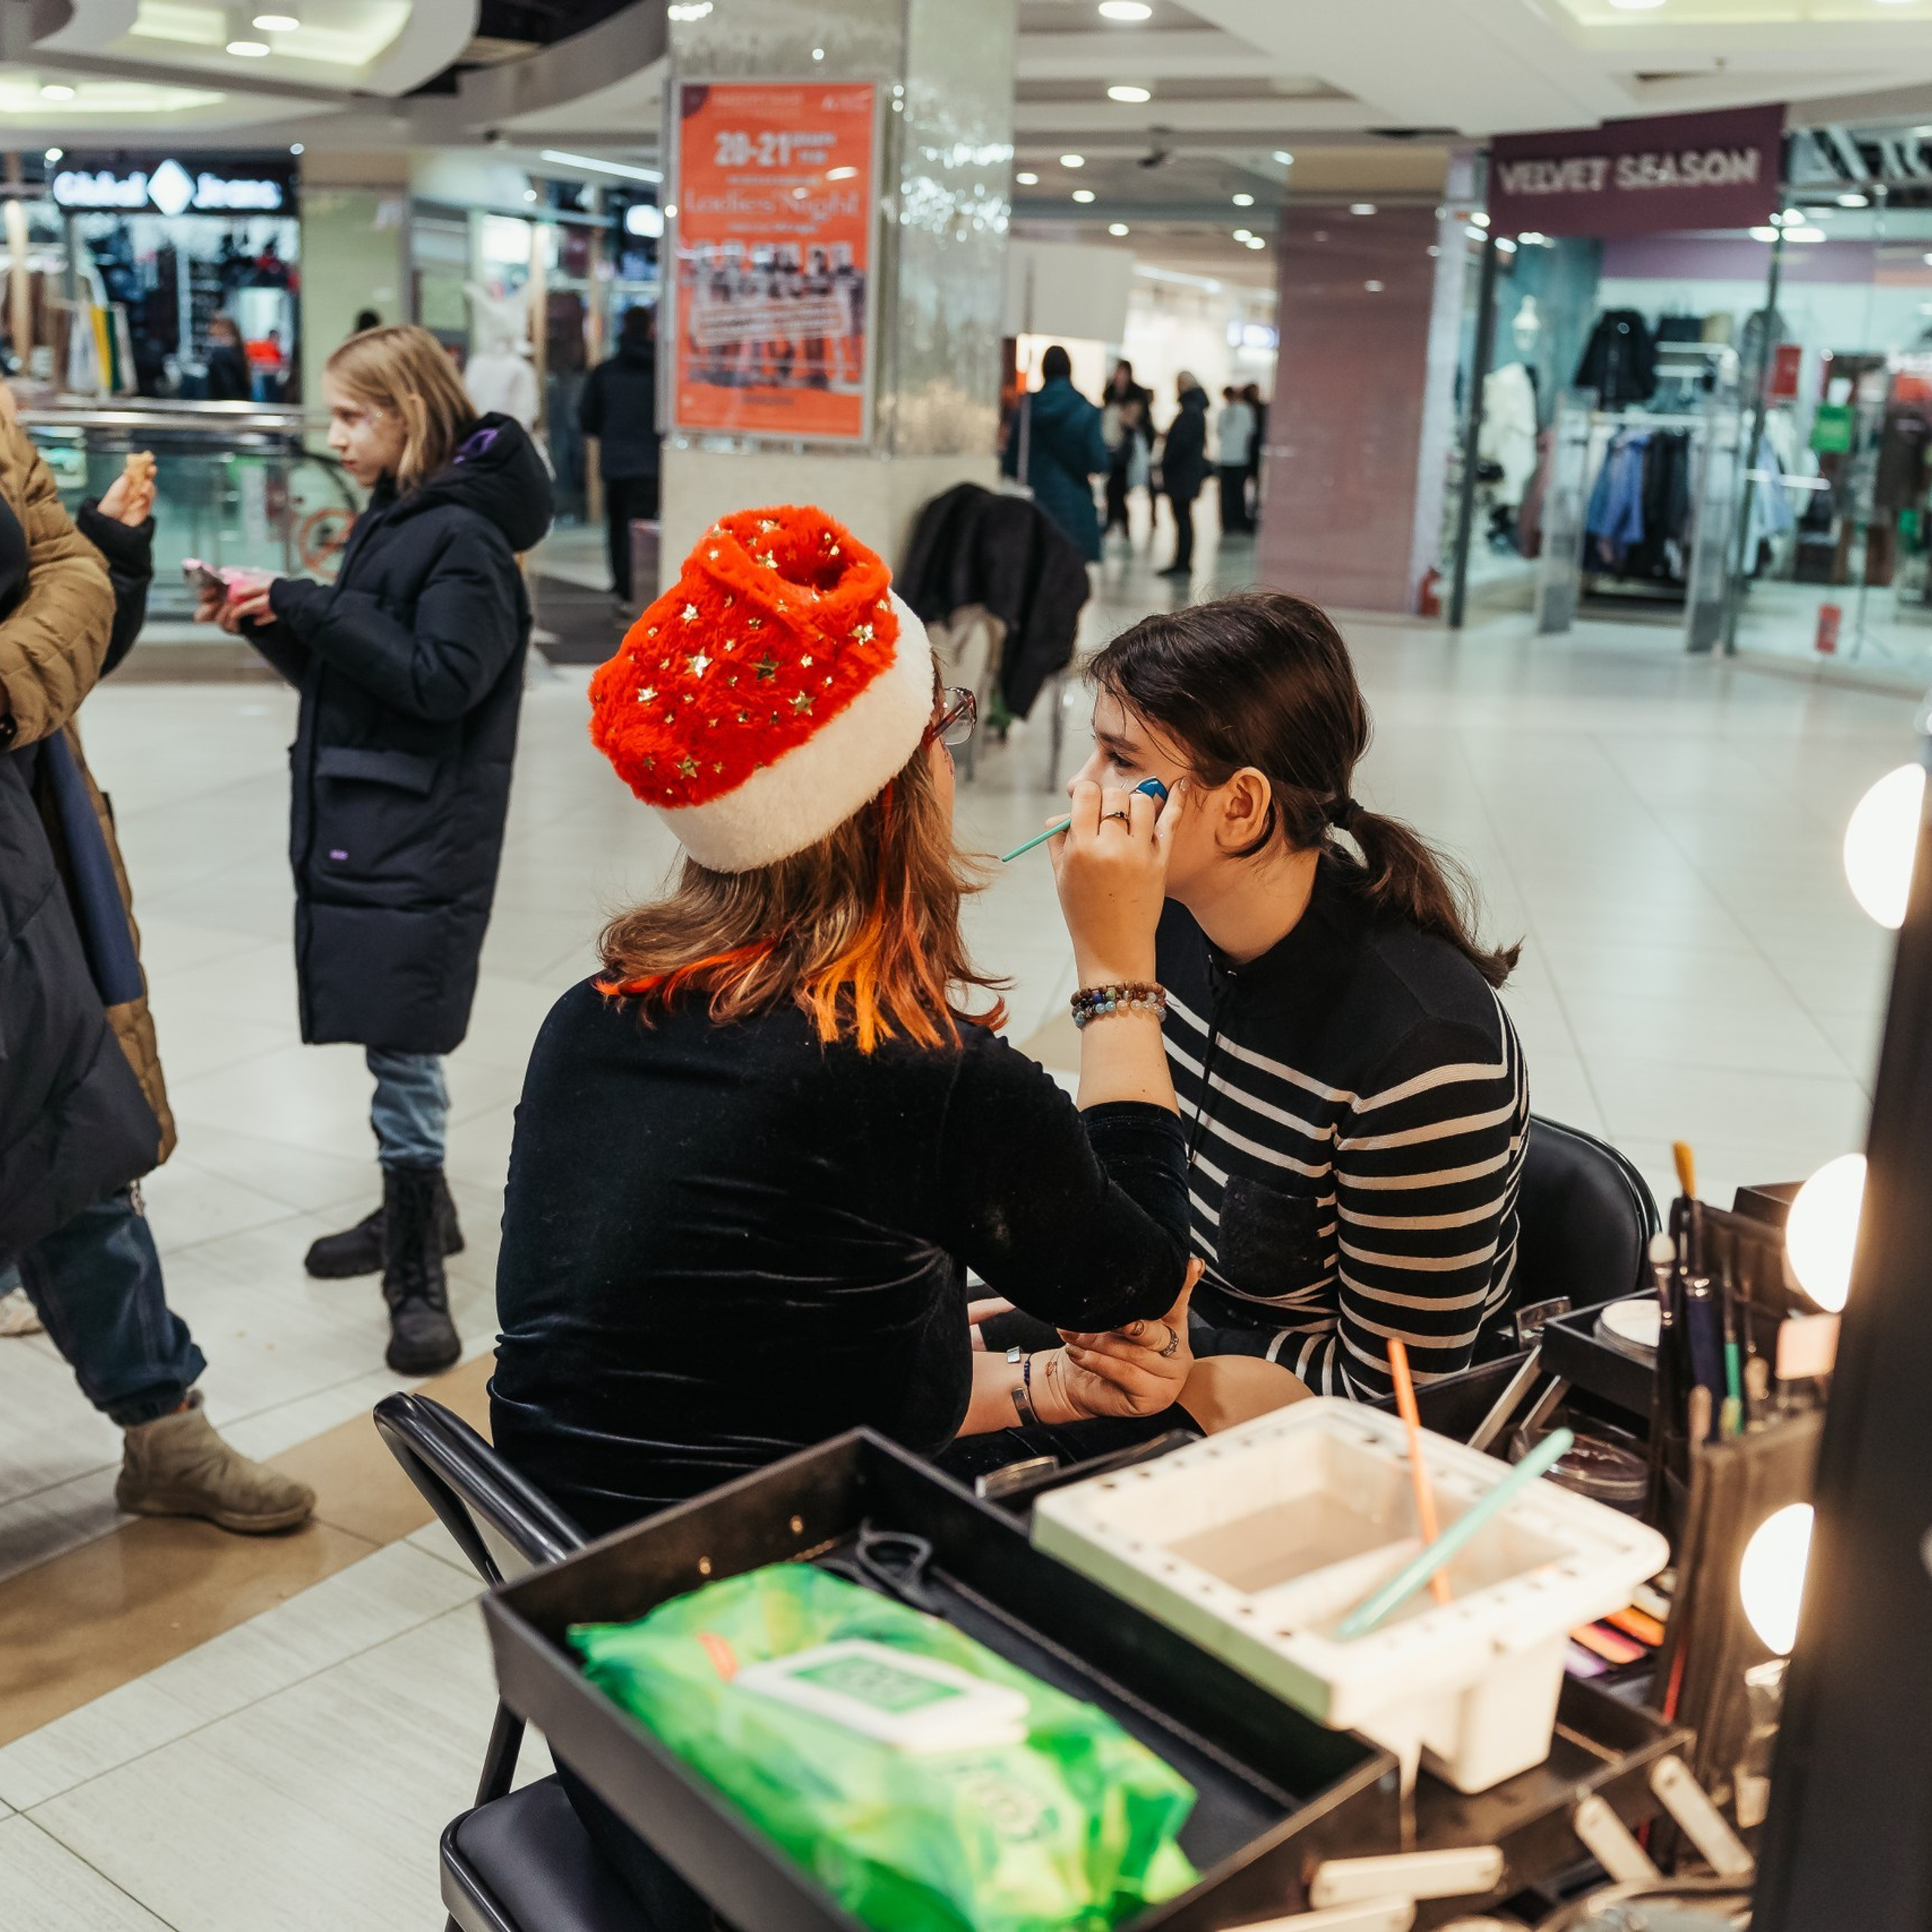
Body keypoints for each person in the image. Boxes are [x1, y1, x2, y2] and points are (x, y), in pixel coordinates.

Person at [492, 503, 1208, 1537]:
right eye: (944, 727)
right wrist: (1115, 967)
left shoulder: (593, 1014)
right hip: (776, 1607)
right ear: (896, 793)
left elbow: (744, 1364)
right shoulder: (912, 1072)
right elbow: (1141, 1281)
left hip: (571, 1578)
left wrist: (1044, 1385)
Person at [1069, 592, 1531, 1400]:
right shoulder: (1167, 922)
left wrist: (1173, 1361)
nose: (1084, 789)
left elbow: (1397, 1397)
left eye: (1120, 760)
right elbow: (1132, 1199)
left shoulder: (1423, 1049)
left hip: (1302, 1431)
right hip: (1166, 1342)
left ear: (1241, 807)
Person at [199, 325, 554, 1375]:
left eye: (355, 415)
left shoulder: (466, 542)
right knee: (385, 1026)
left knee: (405, 1053)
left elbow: (443, 679)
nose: (338, 435)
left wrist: (308, 600)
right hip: (374, 821)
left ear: (411, 412)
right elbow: (366, 676)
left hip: (421, 831)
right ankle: (423, 1215)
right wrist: (270, 621)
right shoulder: (402, 517)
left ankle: (417, 1278)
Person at [0, 409, 317, 1533]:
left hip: (17, 823)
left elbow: (66, 568)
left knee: (77, 1120)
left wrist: (6, 677)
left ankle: (162, 1425)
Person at [577, 304, 660, 605]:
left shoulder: (605, 371)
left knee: (618, 527)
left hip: (615, 462)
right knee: (645, 527)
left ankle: (623, 588)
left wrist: (611, 437)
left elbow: (587, 417)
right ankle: (644, 589)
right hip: (652, 463)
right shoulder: (661, 372)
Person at [1000, 344, 1109, 562]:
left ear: (1043, 371)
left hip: (1035, 504)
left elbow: (1012, 463)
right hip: (1074, 507)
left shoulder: (1027, 409)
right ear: (1070, 371)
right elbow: (1098, 462)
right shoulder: (1087, 411)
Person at [1158, 373, 1210, 579]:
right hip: (1187, 473)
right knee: (1183, 517)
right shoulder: (1195, 410)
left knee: (1182, 518)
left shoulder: (1191, 411)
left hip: (1182, 474)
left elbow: (1181, 443)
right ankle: (1181, 561)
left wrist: (1167, 461)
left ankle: (1182, 562)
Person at [1103, 358, 1153, 539]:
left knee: (1120, 486)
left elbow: (1143, 422)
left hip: (1127, 448)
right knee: (1112, 487)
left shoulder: (1136, 394)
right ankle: (1114, 521)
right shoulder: (1109, 392)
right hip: (1112, 445)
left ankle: (1121, 522)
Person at [1215, 384, 1257, 536]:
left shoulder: (1223, 413)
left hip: (1226, 457)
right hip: (1239, 458)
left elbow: (1219, 433)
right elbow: (1250, 433)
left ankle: (1228, 523)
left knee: (1226, 494)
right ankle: (1238, 521)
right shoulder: (1246, 411)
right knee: (1238, 492)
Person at [204, 315, 251, 401]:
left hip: (225, 407)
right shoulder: (237, 350)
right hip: (240, 404)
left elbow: (225, 386)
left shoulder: (221, 354)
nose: (209, 328)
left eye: (213, 324)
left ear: (223, 327)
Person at [1243, 381, 1268, 527]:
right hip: (1249, 450)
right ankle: (1250, 509)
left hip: (1257, 449)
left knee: (1256, 481)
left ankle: (1254, 508)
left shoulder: (1261, 408)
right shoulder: (1247, 408)